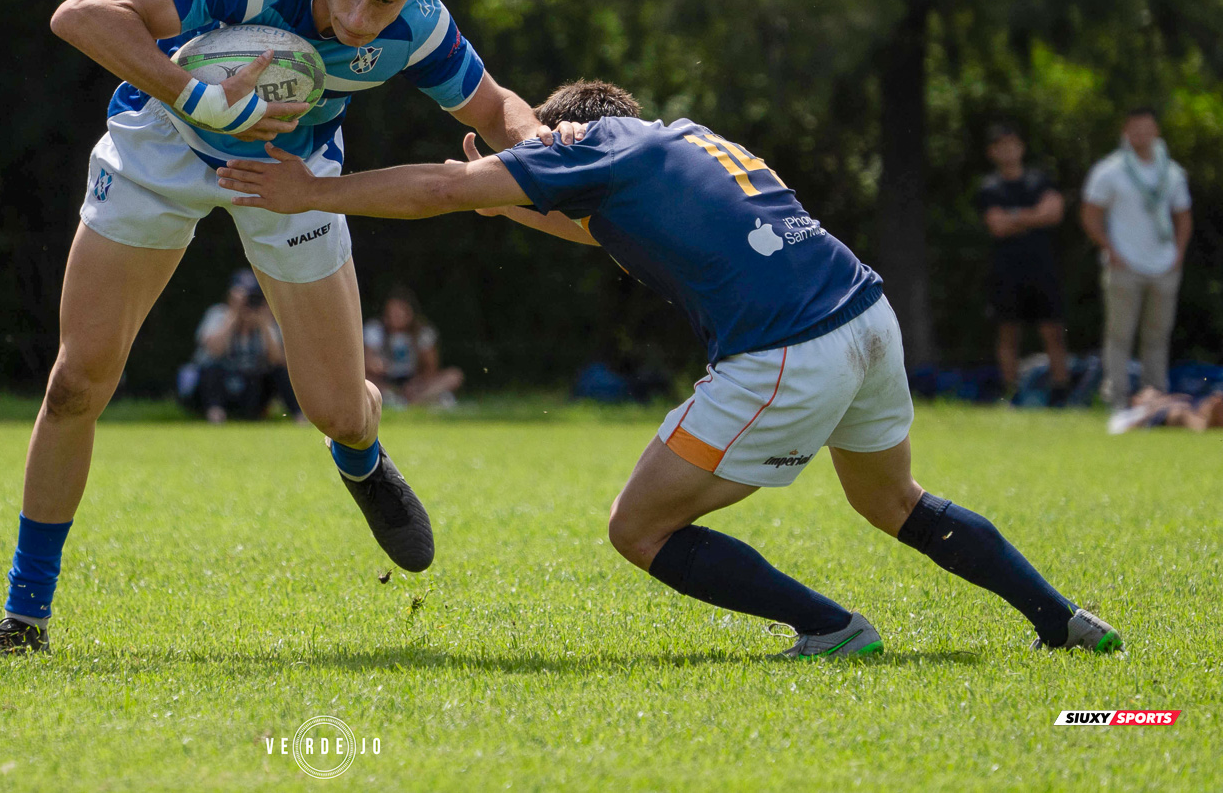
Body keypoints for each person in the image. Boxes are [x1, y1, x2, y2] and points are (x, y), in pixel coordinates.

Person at [219, 79, 1123, 657]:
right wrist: (505, 203)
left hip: (789, 350)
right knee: (894, 501)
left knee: (639, 527)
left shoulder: (597, 149)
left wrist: (315, 191)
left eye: (547, 147)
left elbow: (449, 187)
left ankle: (832, 628)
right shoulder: (677, 139)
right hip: (866, 318)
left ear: (572, 134)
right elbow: (585, 220)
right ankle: (1061, 619)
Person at [0, 0, 559, 657]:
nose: (358, 17)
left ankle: (362, 454)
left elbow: (495, 111)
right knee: (76, 380)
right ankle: (25, 618)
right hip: (165, 146)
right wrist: (197, 96)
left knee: (336, 408)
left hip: (294, 173)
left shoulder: (418, 26)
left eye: (383, 1)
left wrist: (546, 147)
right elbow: (80, 14)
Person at [1081, 107, 1192, 408]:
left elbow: (1183, 216)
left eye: (1147, 127)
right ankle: (1116, 399)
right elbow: (1091, 214)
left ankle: (1154, 398)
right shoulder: (1110, 170)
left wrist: (1178, 254)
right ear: (1125, 132)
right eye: (1135, 128)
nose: (1141, 133)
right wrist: (1110, 249)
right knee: (1119, 335)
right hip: (1124, 264)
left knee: (1157, 336)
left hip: (1164, 265)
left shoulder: (1171, 172)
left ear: (1156, 131)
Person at [974, 124, 1070, 404]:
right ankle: (1011, 393)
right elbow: (997, 226)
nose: (1008, 150)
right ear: (992, 152)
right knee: (1008, 331)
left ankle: (1061, 391)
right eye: (1001, 145)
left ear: (1021, 147)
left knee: (1053, 330)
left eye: (1012, 143)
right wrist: (1034, 216)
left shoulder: (1041, 180)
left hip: (1042, 266)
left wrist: (1014, 216)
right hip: (1007, 270)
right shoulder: (989, 187)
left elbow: (1054, 213)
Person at [187, 269, 298, 423]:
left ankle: (299, 417)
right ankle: (216, 416)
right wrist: (233, 315)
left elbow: (278, 360)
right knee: (210, 369)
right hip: (223, 382)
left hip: (253, 386)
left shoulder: (266, 321)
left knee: (280, 372)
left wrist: (264, 324)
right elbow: (214, 351)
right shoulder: (218, 314)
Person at [364, 288, 462, 407]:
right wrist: (374, 364)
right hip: (385, 380)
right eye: (392, 312)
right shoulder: (375, 330)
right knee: (364, 380)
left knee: (454, 376)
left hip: (414, 381)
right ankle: (414, 399)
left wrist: (416, 383)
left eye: (400, 311)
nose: (396, 316)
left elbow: (431, 368)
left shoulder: (423, 333)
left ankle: (411, 402)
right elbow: (365, 361)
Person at [1106, 385, 1223, 434]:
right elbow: (1128, 426)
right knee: (1181, 414)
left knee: (1203, 405)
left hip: (1189, 404)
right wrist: (1152, 407)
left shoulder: (1162, 399)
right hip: (1164, 413)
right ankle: (1208, 423)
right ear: (1135, 402)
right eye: (1141, 395)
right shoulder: (1135, 413)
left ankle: (1212, 418)